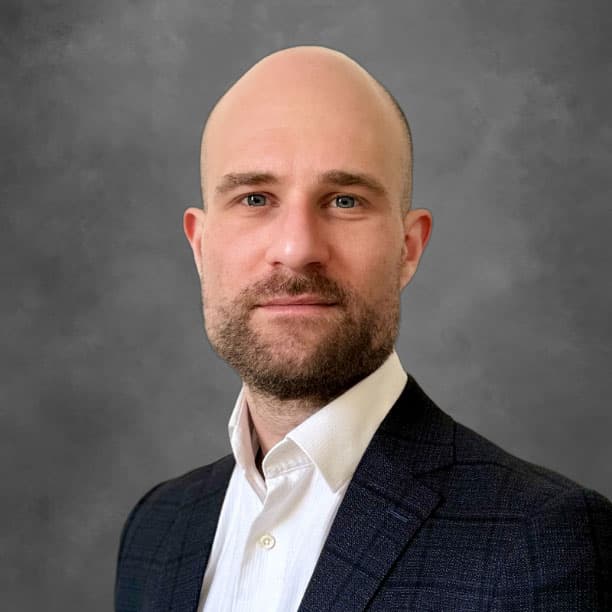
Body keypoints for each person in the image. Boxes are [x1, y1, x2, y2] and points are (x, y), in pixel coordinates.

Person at [115, 46, 612, 611]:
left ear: (408, 248)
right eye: (255, 198)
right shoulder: (156, 531)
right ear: (201, 246)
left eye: (345, 200)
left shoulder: (544, 543)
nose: (297, 248)